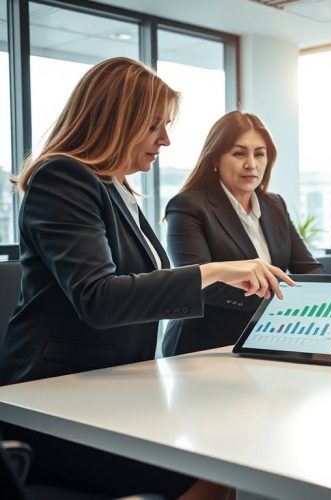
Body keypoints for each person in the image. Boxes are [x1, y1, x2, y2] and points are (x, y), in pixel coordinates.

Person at [0, 57, 291, 498]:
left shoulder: (117, 188)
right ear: (118, 121)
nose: (167, 140)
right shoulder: (63, 177)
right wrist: (213, 271)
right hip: (51, 400)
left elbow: (139, 287)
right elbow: (99, 298)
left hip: (111, 389)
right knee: (218, 465)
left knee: (228, 450)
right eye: (155, 126)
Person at [163, 111, 323, 356]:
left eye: (259, 154)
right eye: (239, 154)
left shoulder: (275, 205)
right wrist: (278, 301)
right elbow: (198, 282)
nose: (251, 164)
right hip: (203, 345)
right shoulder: (188, 206)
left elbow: (309, 268)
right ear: (215, 159)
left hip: (267, 338)